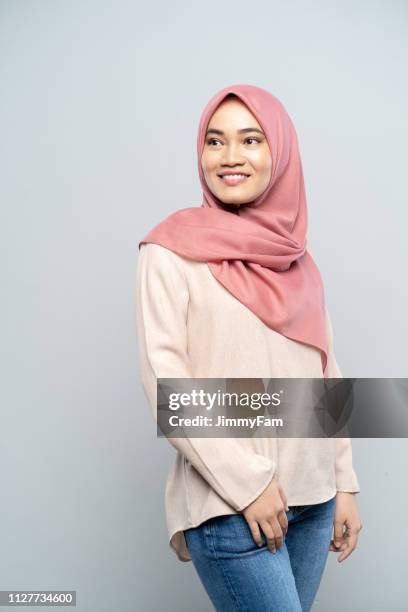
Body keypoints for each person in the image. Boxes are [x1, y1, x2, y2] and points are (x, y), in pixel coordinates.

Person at [135, 84, 363, 611]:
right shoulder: (170, 252)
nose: (230, 157)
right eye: (215, 142)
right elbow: (168, 387)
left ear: (279, 153)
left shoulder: (298, 262)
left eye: (250, 140)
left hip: (313, 503)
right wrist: (249, 484)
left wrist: (344, 482)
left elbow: (326, 376)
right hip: (231, 506)